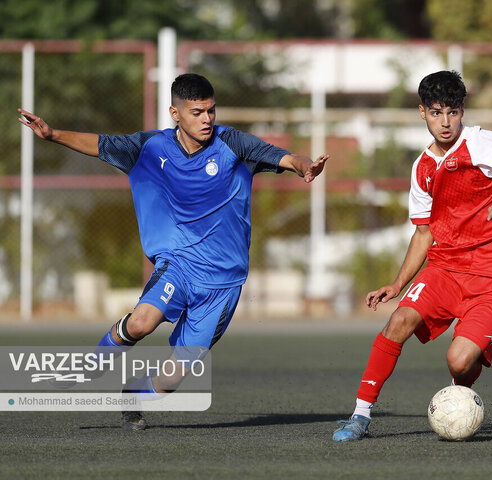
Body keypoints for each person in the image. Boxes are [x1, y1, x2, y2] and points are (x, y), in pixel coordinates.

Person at [18, 73, 328, 429]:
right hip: (178, 263)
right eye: (197, 112)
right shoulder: (149, 147)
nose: (207, 119)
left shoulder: (233, 144)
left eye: (211, 111)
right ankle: (93, 367)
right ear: (175, 113)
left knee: (170, 380)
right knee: (141, 321)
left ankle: (132, 395)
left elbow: (288, 158)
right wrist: (53, 134)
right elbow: (100, 144)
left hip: (224, 284)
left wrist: (307, 166)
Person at [332, 70, 492, 442]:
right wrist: (398, 284)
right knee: (399, 321)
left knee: (459, 361)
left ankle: (460, 391)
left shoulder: (485, 145)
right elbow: (423, 233)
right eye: (436, 112)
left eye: (452, 112)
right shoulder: (422, 168)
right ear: (422, 113)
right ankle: (360, 416)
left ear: (462, 111)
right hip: (446, 268)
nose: (445, 122)